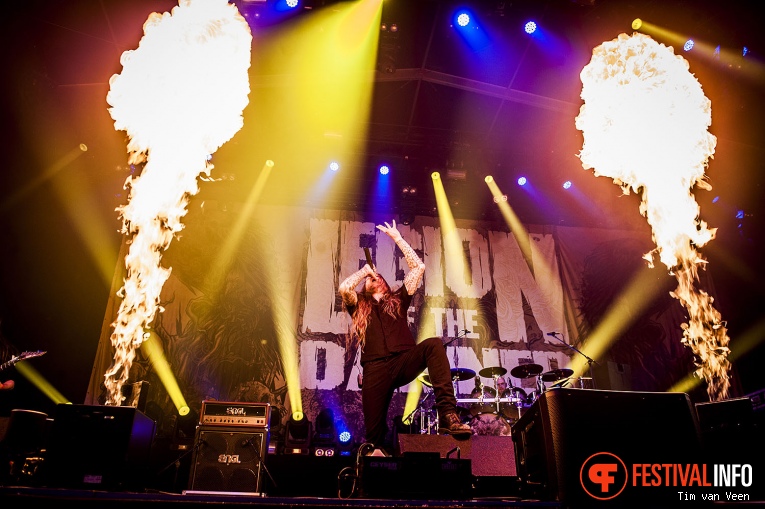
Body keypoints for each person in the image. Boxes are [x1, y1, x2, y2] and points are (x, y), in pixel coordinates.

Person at [339, 219, 471, 451]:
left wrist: (398, 239)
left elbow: (418, 268)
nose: (374, 278)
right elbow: (344, 289)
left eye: (377, 276)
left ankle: (448, 414)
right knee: (374, 435)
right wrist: (364, 271)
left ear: (386, 283)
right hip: (375, 370)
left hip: (403, 361)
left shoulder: (398, 300)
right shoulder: (358, 305)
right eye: (370, 279)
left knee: (432, 345)